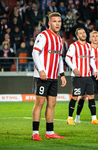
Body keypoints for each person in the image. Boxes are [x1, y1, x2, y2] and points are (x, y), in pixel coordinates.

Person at [31, 12, 66, 141]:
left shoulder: (59, 39)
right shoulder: (43, 35)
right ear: (49, 23)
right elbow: (35, 53)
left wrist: (61, 74)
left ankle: (50, 132)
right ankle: (35, 133)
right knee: (40, 102)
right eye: (55, 21)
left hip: (53, 76)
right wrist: (41, 70)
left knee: (52, 103)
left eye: (59, 21)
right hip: (42, 76)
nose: (57, 24)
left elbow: (59, 58)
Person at [66, 28, 98, 125]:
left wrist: (95, 70)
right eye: (80, 33)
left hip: (88, 76)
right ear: (77, 36)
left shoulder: (89, 46)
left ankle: (94, 119)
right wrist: (74, 68)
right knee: (75, 97)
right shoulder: (73, 46)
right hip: (77, 77)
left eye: (84, 32)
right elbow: (67, 58)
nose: (83, 34)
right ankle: (69, 118)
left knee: (91, 96)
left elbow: (91, 60)